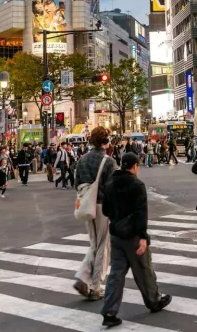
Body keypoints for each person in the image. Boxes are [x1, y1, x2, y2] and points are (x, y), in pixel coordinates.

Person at [100, 153, 172, 327]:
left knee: (116, 274)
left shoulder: (110, 183)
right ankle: (154, 300)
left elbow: (105, 210)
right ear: (134, 166)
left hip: (116, 234)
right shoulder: (137, 185)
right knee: (144, 269)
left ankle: (109, 311)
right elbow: (141, 213)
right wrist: (143, 237)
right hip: (133, 235)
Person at [73, 127, 116, 301]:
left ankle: (84, 278)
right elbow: (112, 188)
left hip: (86, 204)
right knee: (103, 245)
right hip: (102, 205)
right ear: (106, 141)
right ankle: (95, 286)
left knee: (94, 244)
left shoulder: (82, 160)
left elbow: (76, 183)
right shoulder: (108, 161)